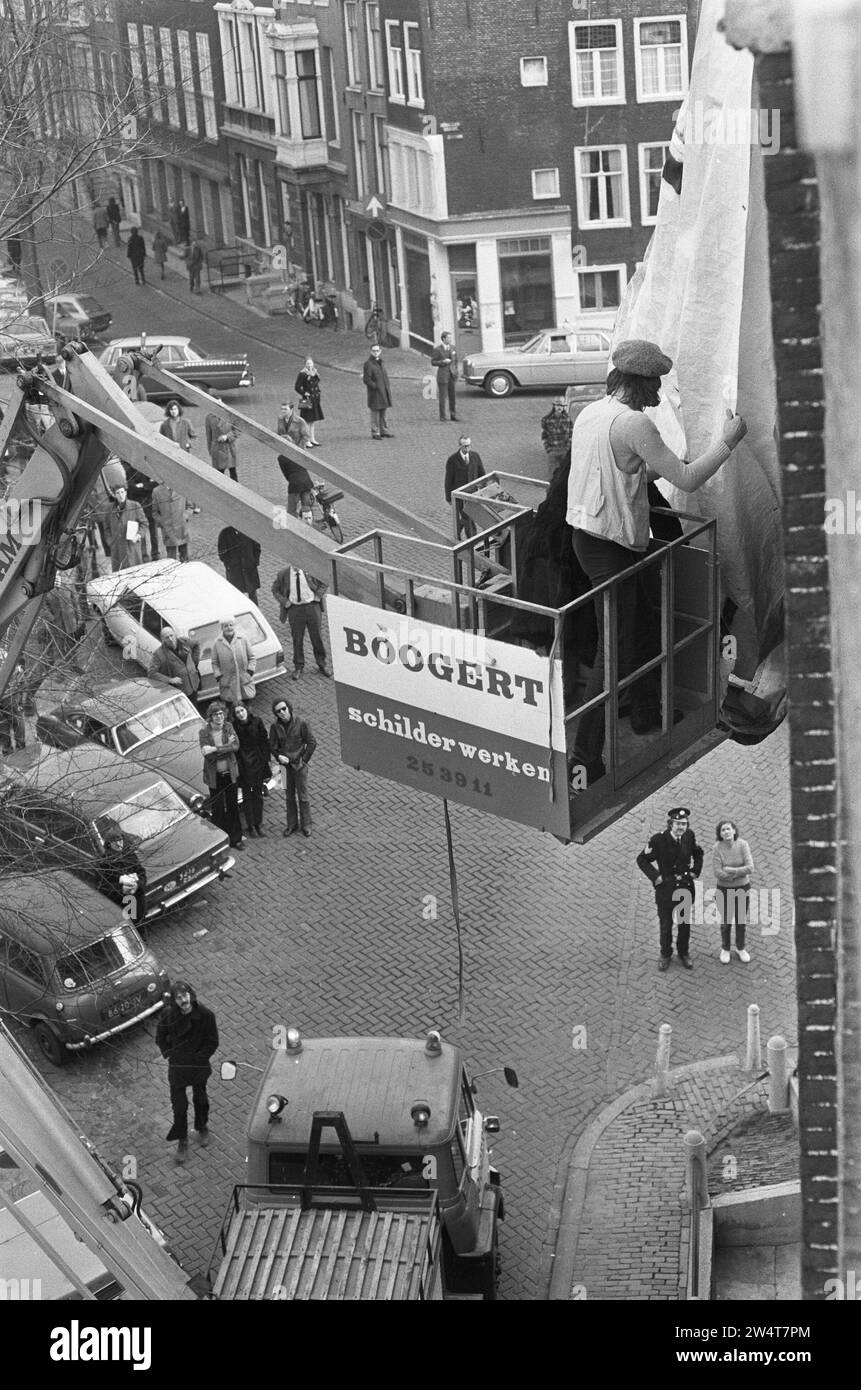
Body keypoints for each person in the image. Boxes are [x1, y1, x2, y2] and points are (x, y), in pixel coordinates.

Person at [567, 339, 748, 785]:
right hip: (611, 547)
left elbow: (617, 468)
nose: (658, 395)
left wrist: (656, 465)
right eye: (655, 385)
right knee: (612, 654)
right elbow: (686, 478)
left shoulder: (592, 412)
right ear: (639, 383)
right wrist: (726, 444)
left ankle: (647, 711)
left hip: (588, 539)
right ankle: (586, 757)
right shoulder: (635, 424)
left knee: (645, 619)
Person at [156, 981, 219, 1165]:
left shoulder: (206, 1016)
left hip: (197, 1066)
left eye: (185, 995)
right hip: (178, 1068)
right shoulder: (169, 1016)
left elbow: (212, 1041)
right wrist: (168, 1053)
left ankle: (202, 1127)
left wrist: (199, 1058)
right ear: (174, 1000)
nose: (183, 1000)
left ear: (190, 995)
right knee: (179, 1107)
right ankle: (182, 1140)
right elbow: (160, 1036)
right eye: (178, 997)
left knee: (200, 1099)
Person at [637, 807, 704, 972]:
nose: (681, 827)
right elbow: (642, 859)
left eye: (684, 824)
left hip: (685, 888)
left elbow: (698, 852)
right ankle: (665, 954)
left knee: (684, 924)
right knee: (666, 925)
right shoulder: (658, 840)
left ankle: (683, 952)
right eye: (678, 824)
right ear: (670, 824)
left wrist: (695, 870)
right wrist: (655, 877)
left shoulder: (689, 836)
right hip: (666, 890)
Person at [271, 542, 330, 680]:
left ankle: (322, 664)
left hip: (312, 607)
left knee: (317, 637)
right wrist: (285, 602)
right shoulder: (283, 574)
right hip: (295, 610)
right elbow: (275, 589)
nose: (297, 565)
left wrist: (318, 596)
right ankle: (298, 666)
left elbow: (325, 581)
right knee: (297, 639)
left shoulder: (311, 571)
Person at [269, 698, 317, 838]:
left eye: (284, 709)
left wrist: (304, 760)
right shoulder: (275, 727)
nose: (282, 712)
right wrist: (278, 756)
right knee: (289, 796)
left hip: (299, 766)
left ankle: (306, 825)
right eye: (278, 711)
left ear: (289, 708)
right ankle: (291, 825)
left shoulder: (301, 723)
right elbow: (271, 745)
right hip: (284, 768)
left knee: (303, 796)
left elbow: (312, 742)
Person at [199, 701, 243, 849]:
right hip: (215, 776)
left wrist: (214, 748)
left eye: (221, 713)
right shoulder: (204, 732)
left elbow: (236, 746)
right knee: (218, 809)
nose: (219, 717)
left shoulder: (228, 727)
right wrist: (226, 747)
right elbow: (208, 757)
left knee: (232, 806)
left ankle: (236, 839)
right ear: (210, 717)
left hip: (230, 774)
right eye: (215, 714)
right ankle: (221, 840)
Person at [713, 819, 755, 964]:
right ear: (720, 834)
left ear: (734, 830)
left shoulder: (743, 845)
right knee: (726, 922)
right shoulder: (717, 848)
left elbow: (750, 868)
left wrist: (731, 871)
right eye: (723, 830)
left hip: (743, 888)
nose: (726, 832)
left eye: (728, 829)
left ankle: (740, 947)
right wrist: (739, 874)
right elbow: (717, 872)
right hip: (723, 890)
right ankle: (725, 948)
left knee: (741, 922)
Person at [95, 823, 147, 926]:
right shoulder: (104, 863)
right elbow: (102, 887)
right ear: (109, 844)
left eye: (120, 841)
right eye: (115, 842)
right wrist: (122, 888)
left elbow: (141, 873)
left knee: (141, 924)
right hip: (122, 903)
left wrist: (138, 885)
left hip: (138, 899)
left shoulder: (130, 855)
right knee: (131, 927)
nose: (119, 844)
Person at [233, 703, 271, 838]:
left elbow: (264, 740)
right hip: (244, 765)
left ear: (246, 710)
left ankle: (258, 823)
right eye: (237, 712)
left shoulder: (257, 721)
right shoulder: (234, 727)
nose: (240, 714)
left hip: (257, 763)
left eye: (242, 710)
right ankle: (251, 826)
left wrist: (265, 759)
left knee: (258, 796)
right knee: (247, 797)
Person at [211, 616, 256, 713]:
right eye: (225, 626)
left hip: (244, 681)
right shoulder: (217, 643)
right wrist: (219, 676)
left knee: (247, 710)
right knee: (231, 711)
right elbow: (214, 662)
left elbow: (252, 657)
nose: (229, 628)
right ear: (221, 628)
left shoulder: (243, 639)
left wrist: (249, 672)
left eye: (231, 625)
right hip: (228, 682)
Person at [444, 435, 485, 538]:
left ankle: (457, 532)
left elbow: (482, 474)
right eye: (465, 446)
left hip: (473, 494)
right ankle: (472, 540)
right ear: (460, 446)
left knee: (469, 516)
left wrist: (484, 489)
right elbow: (448, 480)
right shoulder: (452, 460)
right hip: (460, 496)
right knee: (468, 517)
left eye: (469, 446)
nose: (467, 448)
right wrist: (448, 498)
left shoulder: (475, 456)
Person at [148, 627, 201, 701]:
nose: (170, 639)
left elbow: (196, 644)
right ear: (162, 639)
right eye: (167, 637)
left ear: (175, 634)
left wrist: (194, 663)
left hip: (194, 684)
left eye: (171, 635)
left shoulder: (184, 642)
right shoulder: (159, 654)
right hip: (179, 691)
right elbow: (151, 673)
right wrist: (170, 680)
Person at [106, 484, 146, 571]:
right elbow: (106, 528)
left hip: (131, 546)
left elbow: (144, 523)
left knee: (135, 572)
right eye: (118, 493)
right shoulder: (110, 509)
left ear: (126, 493)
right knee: (120, 574)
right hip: (117, 548)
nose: (120, 495)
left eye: (122, 492)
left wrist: (138, 535)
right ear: (114, 495)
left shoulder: (135, 505)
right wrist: (111, 541)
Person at [217, 527, 260, 604]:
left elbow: (257, 548)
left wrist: (254, 562)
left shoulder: (250, 531)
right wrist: (229, 565)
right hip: (235, 571)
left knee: (252, 594)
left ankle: (255, 611)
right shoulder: (225, 533)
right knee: (236, 595)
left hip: (249, 569)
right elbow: (222, 553)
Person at [124, 467, 159, 560]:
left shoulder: (149, 469)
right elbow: (131, 488)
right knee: (140, 531)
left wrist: (142, 486)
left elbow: (155, 483)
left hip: (150, 504)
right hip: (138, 505)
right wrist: (144, 488)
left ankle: (155, 553)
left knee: (153, 531)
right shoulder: (130, 471)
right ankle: (144, 554)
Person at [152, 479, 190, 561]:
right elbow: (154, 512)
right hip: (168, 530)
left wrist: (185, 516)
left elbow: (189, 506)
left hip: (181, 528)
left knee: (185, 558)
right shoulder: (157, 491)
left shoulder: (182, 487)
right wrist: (163, 522)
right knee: (171, 560)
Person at [362, 343, 393, 439]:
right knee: (375, 413)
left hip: (383, 391)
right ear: (371, 352)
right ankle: (375, 432)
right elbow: (367, 379)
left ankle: (384, 430)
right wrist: (375, 386)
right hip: (375, 393)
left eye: (377, 351)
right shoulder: (368, 364)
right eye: (374, 351)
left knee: (383, 412)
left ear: (380, 351)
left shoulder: (381, 362)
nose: (376, 353)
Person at [205, 398, 239, 480]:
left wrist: (227, 436)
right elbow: (208, 435)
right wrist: (211, 450)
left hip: (229, 448)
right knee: (219, 474)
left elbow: (237, 430)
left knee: (233, 473)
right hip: (217, 449)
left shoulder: (230, 415)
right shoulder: (209, 418)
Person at [541, 398, 574, 478]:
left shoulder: (567, 419)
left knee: (564, 475)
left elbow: (571, 435)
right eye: (558, 405)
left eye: (562, 406)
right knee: (552, 476)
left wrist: (567, 448)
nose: (560, 408)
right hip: (553, 451)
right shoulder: (546, 419)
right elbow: (544, 436)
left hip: (564, 450)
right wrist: (548, 449)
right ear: (554, 406)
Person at [294, 358, 323, 446]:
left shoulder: (315, 372)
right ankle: (306, 441)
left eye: (311, 363)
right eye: (307, 364)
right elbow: (297, 387)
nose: (309, 365)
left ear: (313, 364)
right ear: (305, 364)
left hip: (314, 399)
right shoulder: (302, 374)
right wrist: (304, 393)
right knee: (307, 421)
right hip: (306, 400)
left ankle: (312, 439)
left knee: (313, 421)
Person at [0, 660, 27, 755]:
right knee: (5, 723)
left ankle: (12, 748)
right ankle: (10, 748)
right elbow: (23, 685)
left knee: (14, 721)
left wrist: (22, 701)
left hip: (11, 696)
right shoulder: (14, 668)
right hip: (8, 696)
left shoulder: (15, 669)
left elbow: (23, 685)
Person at [431, 331, 458, 422]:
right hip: (443, 376)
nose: (450, 339)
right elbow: (433, 362)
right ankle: (442, 416)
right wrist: (442, 362)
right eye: (448, 338)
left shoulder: (453, 348)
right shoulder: (437, 349)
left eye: (451, 338)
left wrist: (455, 371)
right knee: (443, 397)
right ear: (443, 339)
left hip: (451, 375)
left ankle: (453, 415)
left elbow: (455, 361)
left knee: (452, 397)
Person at [276, 452, 314, 517]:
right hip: (307, 481)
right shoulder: (298, 452)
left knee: (291, 510)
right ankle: (308, 524)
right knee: (306, 507)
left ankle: (293, 525)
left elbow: (285, 473)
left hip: (295, 484)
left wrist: (291, 480)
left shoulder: (281, 458)